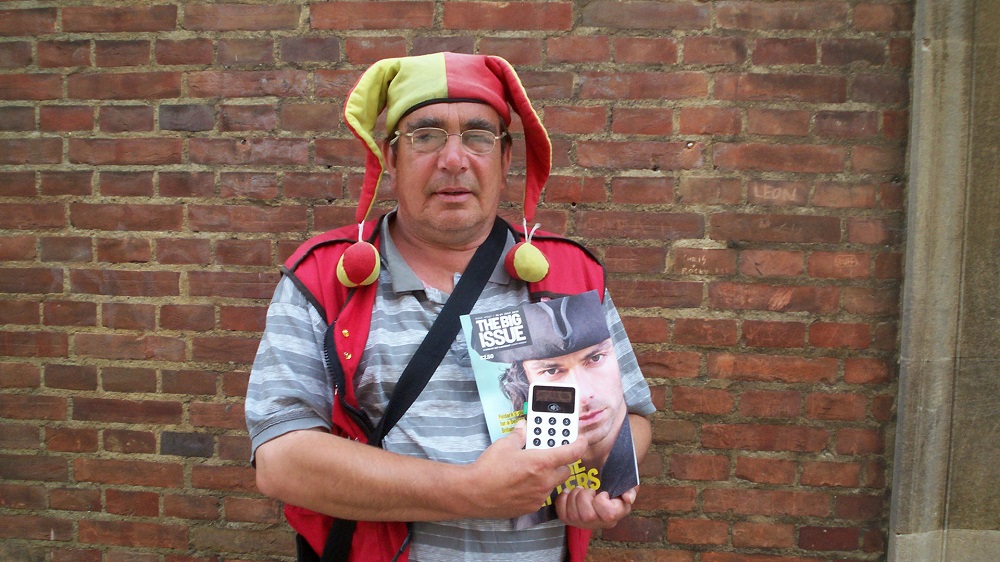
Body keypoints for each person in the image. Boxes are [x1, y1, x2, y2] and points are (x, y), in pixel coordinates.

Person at [245, 52, 655, 562]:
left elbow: (632, 416)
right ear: (389, 158)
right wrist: (469, 491)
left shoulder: (569, 273)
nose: (454, 159)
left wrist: (603, 476)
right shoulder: (325, 280)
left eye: (479, 136)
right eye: (425, 135)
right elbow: (281, 461)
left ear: (506, 159)